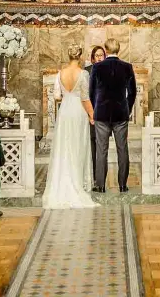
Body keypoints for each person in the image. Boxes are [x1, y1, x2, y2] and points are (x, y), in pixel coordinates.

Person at [42, 45, 99, 208]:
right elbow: (85, 97)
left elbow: (57, 96)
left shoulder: (60, 73)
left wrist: (66, 96)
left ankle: (63, 180)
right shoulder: (83, 73)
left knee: (64, 146)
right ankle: (77, 181)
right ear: (80, 57)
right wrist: (92, 115)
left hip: (65, 112)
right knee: (78, 146)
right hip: (78, 112)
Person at [89, 38, 136, 192]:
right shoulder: (127, 67)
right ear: (119, 50)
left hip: (101, 113)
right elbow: (133, 92)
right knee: (122, 149)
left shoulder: (97, 67)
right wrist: (127, 108)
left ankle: (101, 185)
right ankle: (122, 185)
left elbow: (91, 92)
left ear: (106, 50)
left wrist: (95, 108)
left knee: (101, 150)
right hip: (120, 113)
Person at [85, 45, 106, 173]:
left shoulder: (109, 69)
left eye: (101, 55)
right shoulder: (86, 71)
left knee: (102, 143)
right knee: (92, 141)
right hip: (91, 110)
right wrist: (89, 113)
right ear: (93, 58)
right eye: (96, 55)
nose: (99, 57)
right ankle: (92, 172)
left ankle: (101, 173)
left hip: (103, 111)